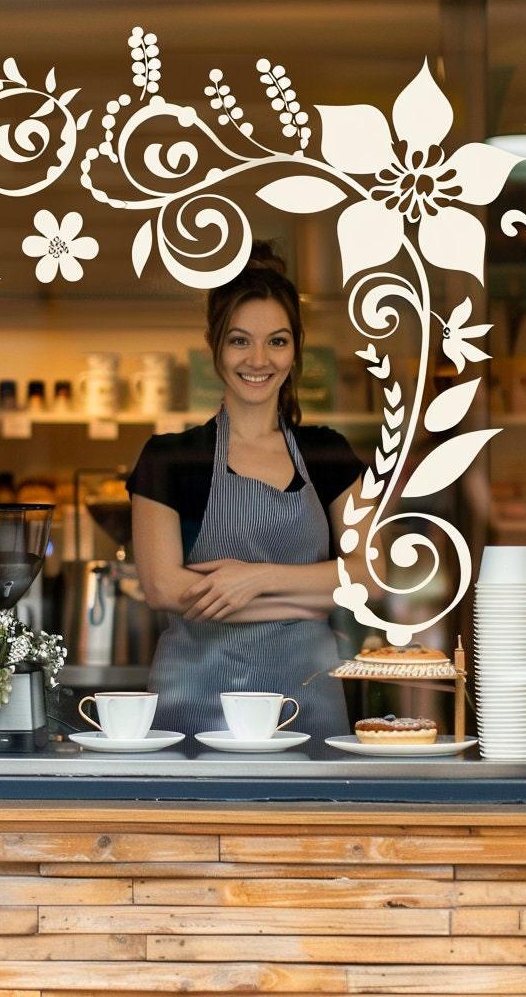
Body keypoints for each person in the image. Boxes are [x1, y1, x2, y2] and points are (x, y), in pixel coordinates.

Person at [127, 241, 372, 739]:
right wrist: (313, 597)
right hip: (194, 704)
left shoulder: (329, 454)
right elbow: (161, 588)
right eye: (240, 341)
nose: (258, 359)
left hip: (307, 704)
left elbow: (370, 574)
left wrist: (253, 579)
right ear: (214, 345)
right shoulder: (169, 459)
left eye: (277, 342)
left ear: (295, 349)